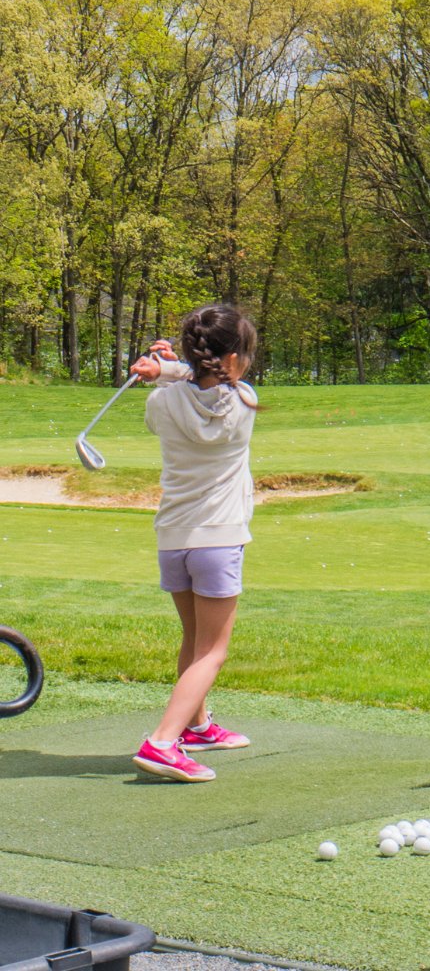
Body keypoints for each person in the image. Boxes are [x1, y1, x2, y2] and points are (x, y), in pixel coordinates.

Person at [128, 303, 260, 783]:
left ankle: (197, 725)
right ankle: (163, 741)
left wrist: (163, 371)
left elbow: (190, 382)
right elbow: (214, 378)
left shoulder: (159, 403)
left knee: (193, 640)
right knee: (212, 652)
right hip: (219, 540)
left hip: (173, 539)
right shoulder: (244, 401)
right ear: (234, 358)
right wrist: (170, 368)